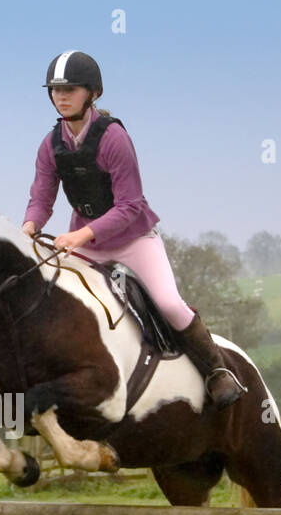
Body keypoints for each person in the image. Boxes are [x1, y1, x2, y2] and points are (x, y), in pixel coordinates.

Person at [22, 50, 246, 408]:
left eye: (70, 89)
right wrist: (30, 226)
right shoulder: (50, 145)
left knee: (170, 304)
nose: (61, 96)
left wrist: (80, 235)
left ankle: (216, 372)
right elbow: (41, 198)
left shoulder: (113, 139)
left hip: (132, 240)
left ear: (93, 93)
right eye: (54, 90)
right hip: (86, 243)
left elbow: (129, 205)